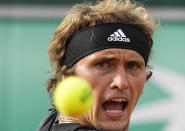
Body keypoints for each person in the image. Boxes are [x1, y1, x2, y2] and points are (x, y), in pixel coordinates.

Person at [37, 0, 158, 130]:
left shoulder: (51, 123)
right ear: (68, 78)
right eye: (102, 65)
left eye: (133, 66)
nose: (121, 82)